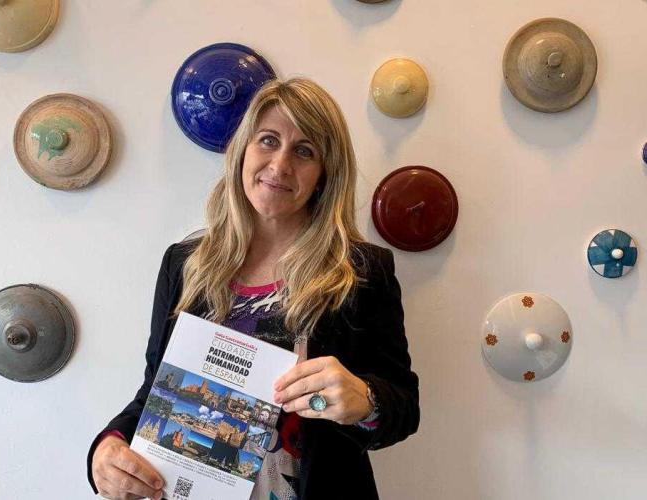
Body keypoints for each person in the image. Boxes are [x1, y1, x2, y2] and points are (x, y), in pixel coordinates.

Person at [87, 77, 420, 500]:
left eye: (304, 151)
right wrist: (107, 446)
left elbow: (404, 409)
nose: (280, 165)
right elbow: (156, 391)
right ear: (242, 150)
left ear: (325, 173)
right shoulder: (185, 265)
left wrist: (365, 400)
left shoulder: (360, 272)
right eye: (268, 140)